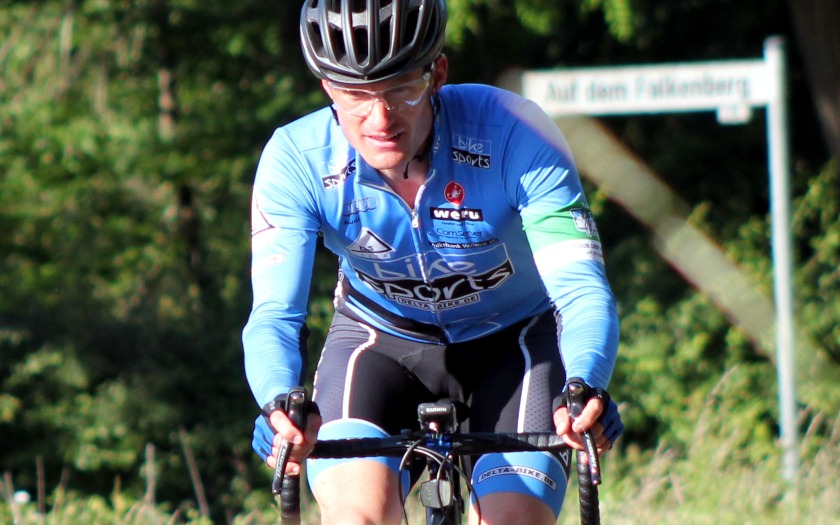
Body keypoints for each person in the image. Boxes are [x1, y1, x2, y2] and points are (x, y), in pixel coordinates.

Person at [244, 1, 622, 523]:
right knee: (359, 516)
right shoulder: (296, 160)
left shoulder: (515, 132)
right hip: (378, 344)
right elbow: (274, 317)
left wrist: (585, 382)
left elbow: (581, 290)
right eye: (355, 94)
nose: (380, 119)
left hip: (515, 345)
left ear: (437, 73)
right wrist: (277, 398)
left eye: (401, 88)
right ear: (327, 87)